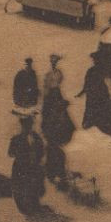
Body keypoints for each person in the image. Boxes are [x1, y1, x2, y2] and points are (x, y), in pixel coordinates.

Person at [40, 56, 74, 184]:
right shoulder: (48, 75)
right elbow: (45, 88)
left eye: (55, 62)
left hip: (56, 95)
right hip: (50, 96)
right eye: (53, 62)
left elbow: (59, 82)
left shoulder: (58, 73)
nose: (54, 64)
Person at [6, 114, 47, 216]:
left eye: (29, 125)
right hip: (20, 167)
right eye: (25, 125)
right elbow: (10, 153)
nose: (27, 127)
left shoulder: (36, 137)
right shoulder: (16, 138)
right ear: (22, 126)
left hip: (33, 167)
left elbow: (42, 151)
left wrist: (37, 159)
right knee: (21, 187)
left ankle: (34, 205)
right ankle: (25, 208)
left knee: (34, 185)